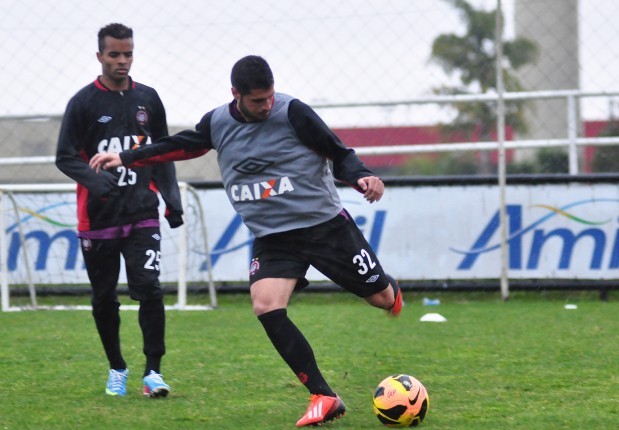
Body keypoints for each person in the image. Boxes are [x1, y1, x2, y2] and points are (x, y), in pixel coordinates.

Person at [90, 55, 403, 425]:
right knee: (266, 304)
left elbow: (339, 154)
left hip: (324, 227)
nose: (266, 105)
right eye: (257, 101)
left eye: (269, 96)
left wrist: (362, 177)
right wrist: (125, 157)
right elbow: (180, 146)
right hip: (272, 236)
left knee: (381, 299)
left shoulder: (293, 113)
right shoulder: (218, 123)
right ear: (235, 94)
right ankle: (323, 395)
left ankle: (390, 290)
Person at [56, 23, 183, 398]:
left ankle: (153, 373)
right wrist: (96, 182)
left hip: (143, 212)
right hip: (98, 220)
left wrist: (171, 200)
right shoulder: (83, 103)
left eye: (128, 53)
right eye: (115, 54)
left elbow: (163, 152)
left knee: (150, 289)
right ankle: (117, 368)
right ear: (100, 57)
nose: (122, 61)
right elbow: (64, 157)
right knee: (103, 297)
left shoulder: (148, 99)